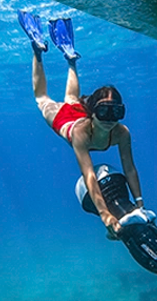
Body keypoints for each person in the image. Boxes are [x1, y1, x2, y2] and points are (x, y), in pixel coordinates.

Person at [17, 12, 145, 238]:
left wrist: (140, 204)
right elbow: (89, 176)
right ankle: (37, 51)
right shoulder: (80, 135)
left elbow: (130, 168)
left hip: (81, 112)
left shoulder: (121, 132)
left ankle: (71, 59)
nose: (109, 119)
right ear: (94, 112)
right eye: (104, 112)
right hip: (65, 120)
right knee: (42, 100)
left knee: (72, 99)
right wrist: (105, 214)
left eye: (116, 112)